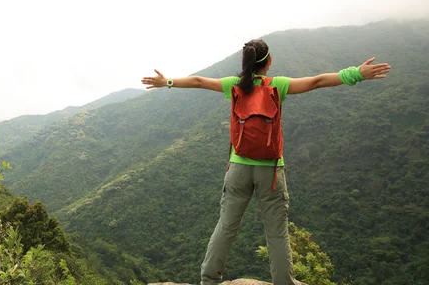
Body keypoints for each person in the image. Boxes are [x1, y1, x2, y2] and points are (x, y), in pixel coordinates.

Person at [141, 39, 391, 285]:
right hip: (270, 171)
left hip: (238, 168)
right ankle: (284, 281)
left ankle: (209, 279)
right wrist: (356, 73)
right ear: (269, 61)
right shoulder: (278, 85)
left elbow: (197, 81)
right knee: (276, 232)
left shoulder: (234, 86)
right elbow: (317, 81)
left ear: (246, 62)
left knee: (226, 226)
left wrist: (167, 82)